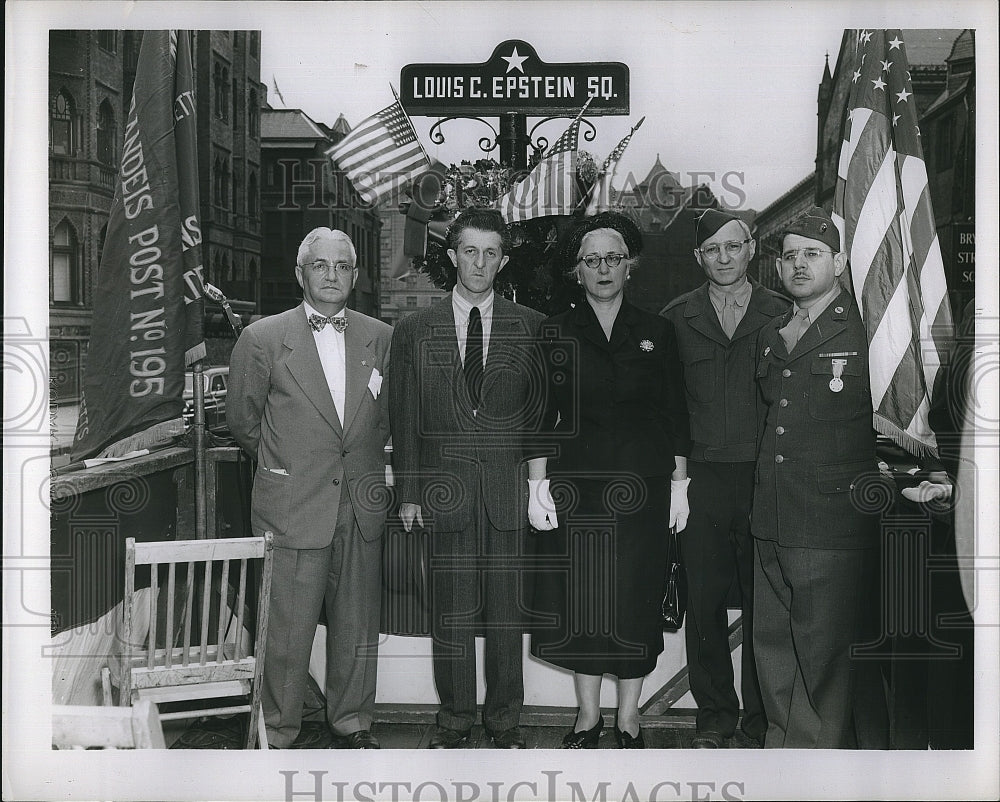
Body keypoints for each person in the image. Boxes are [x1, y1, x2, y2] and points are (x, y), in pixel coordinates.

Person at [529, 212, 691, 749]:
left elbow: (675, 416)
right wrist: (536, 486)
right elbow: (540, 416)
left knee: (633, 601)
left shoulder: (657, 331)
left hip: (643, 491)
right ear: (577, 271)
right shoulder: (554, 330)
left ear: (630, 267)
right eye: (591, 259)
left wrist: (679, 485)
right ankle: (586, 718)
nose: (603, 268)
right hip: (576, 489)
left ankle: (628, 719)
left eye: (613, 258)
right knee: (585, 602)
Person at [227, 228, 392, 749]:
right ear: (300, 274)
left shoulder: (381, 336)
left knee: (357, 628)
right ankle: (277, 729)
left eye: (342, 266)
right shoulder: (262, 337)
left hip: (361, 504)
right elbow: (244, 423)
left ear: (356, 276)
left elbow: (385, 420)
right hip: (292, 504)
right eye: (320, 265)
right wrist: (289, 467)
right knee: (286, 631)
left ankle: (353, 723)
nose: (331, 275)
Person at [388, 208, 545, 749]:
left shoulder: (529, 325)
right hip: (444, 492)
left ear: (503, 260)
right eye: (469, 251)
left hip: (507, 492)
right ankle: (455, 719)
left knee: (505, 615)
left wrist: (539, 488)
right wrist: (408, 491)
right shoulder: (413, 330)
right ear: (452, 256)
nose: (480, 263)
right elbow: (403, 415)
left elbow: (539, 418)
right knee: (451, 614)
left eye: (491, 253)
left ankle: (505, 722)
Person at [660, 209, 788, 748]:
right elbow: (665, 409)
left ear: (751, 249)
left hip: (766, 479)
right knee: (705, 601)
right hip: (702, 480)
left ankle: (761, 721)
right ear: (698, 258)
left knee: (765, 606)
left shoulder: (781, 315)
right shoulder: (675, 318)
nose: (723, 257)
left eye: (732, 246)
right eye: (711, 249)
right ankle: (715, 714)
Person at [752, 206, 878, 748]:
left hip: (830, 518)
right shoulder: (772, 331)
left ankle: (816, 768)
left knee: (823, 656)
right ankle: (782, 754)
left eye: (812, 254)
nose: (799, 266)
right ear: (777, 269)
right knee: (773, 647)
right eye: (789, 257)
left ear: (839, 261)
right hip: (773, 512)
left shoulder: (868, 329)